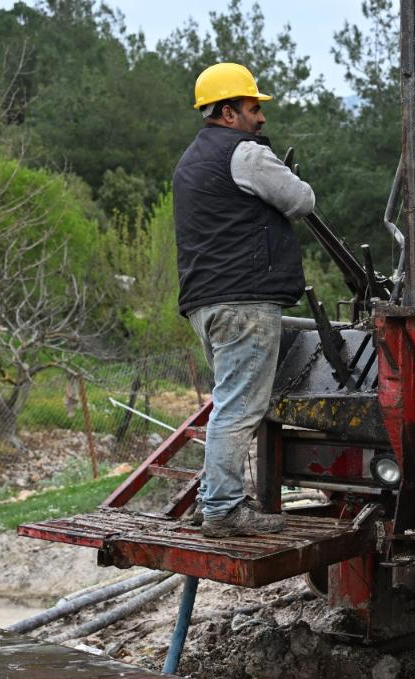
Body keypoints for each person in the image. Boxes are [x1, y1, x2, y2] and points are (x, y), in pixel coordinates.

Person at [172, 62, 315, 538]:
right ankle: (223, 510)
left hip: (205, 303)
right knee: (238, 408)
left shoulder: (189, 161)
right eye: (254, 108)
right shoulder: (246, 154)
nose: (261, 118)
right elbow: (301, 201)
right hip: (245, 301)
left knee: (227, 402)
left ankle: (215, 496)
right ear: (228, 112)